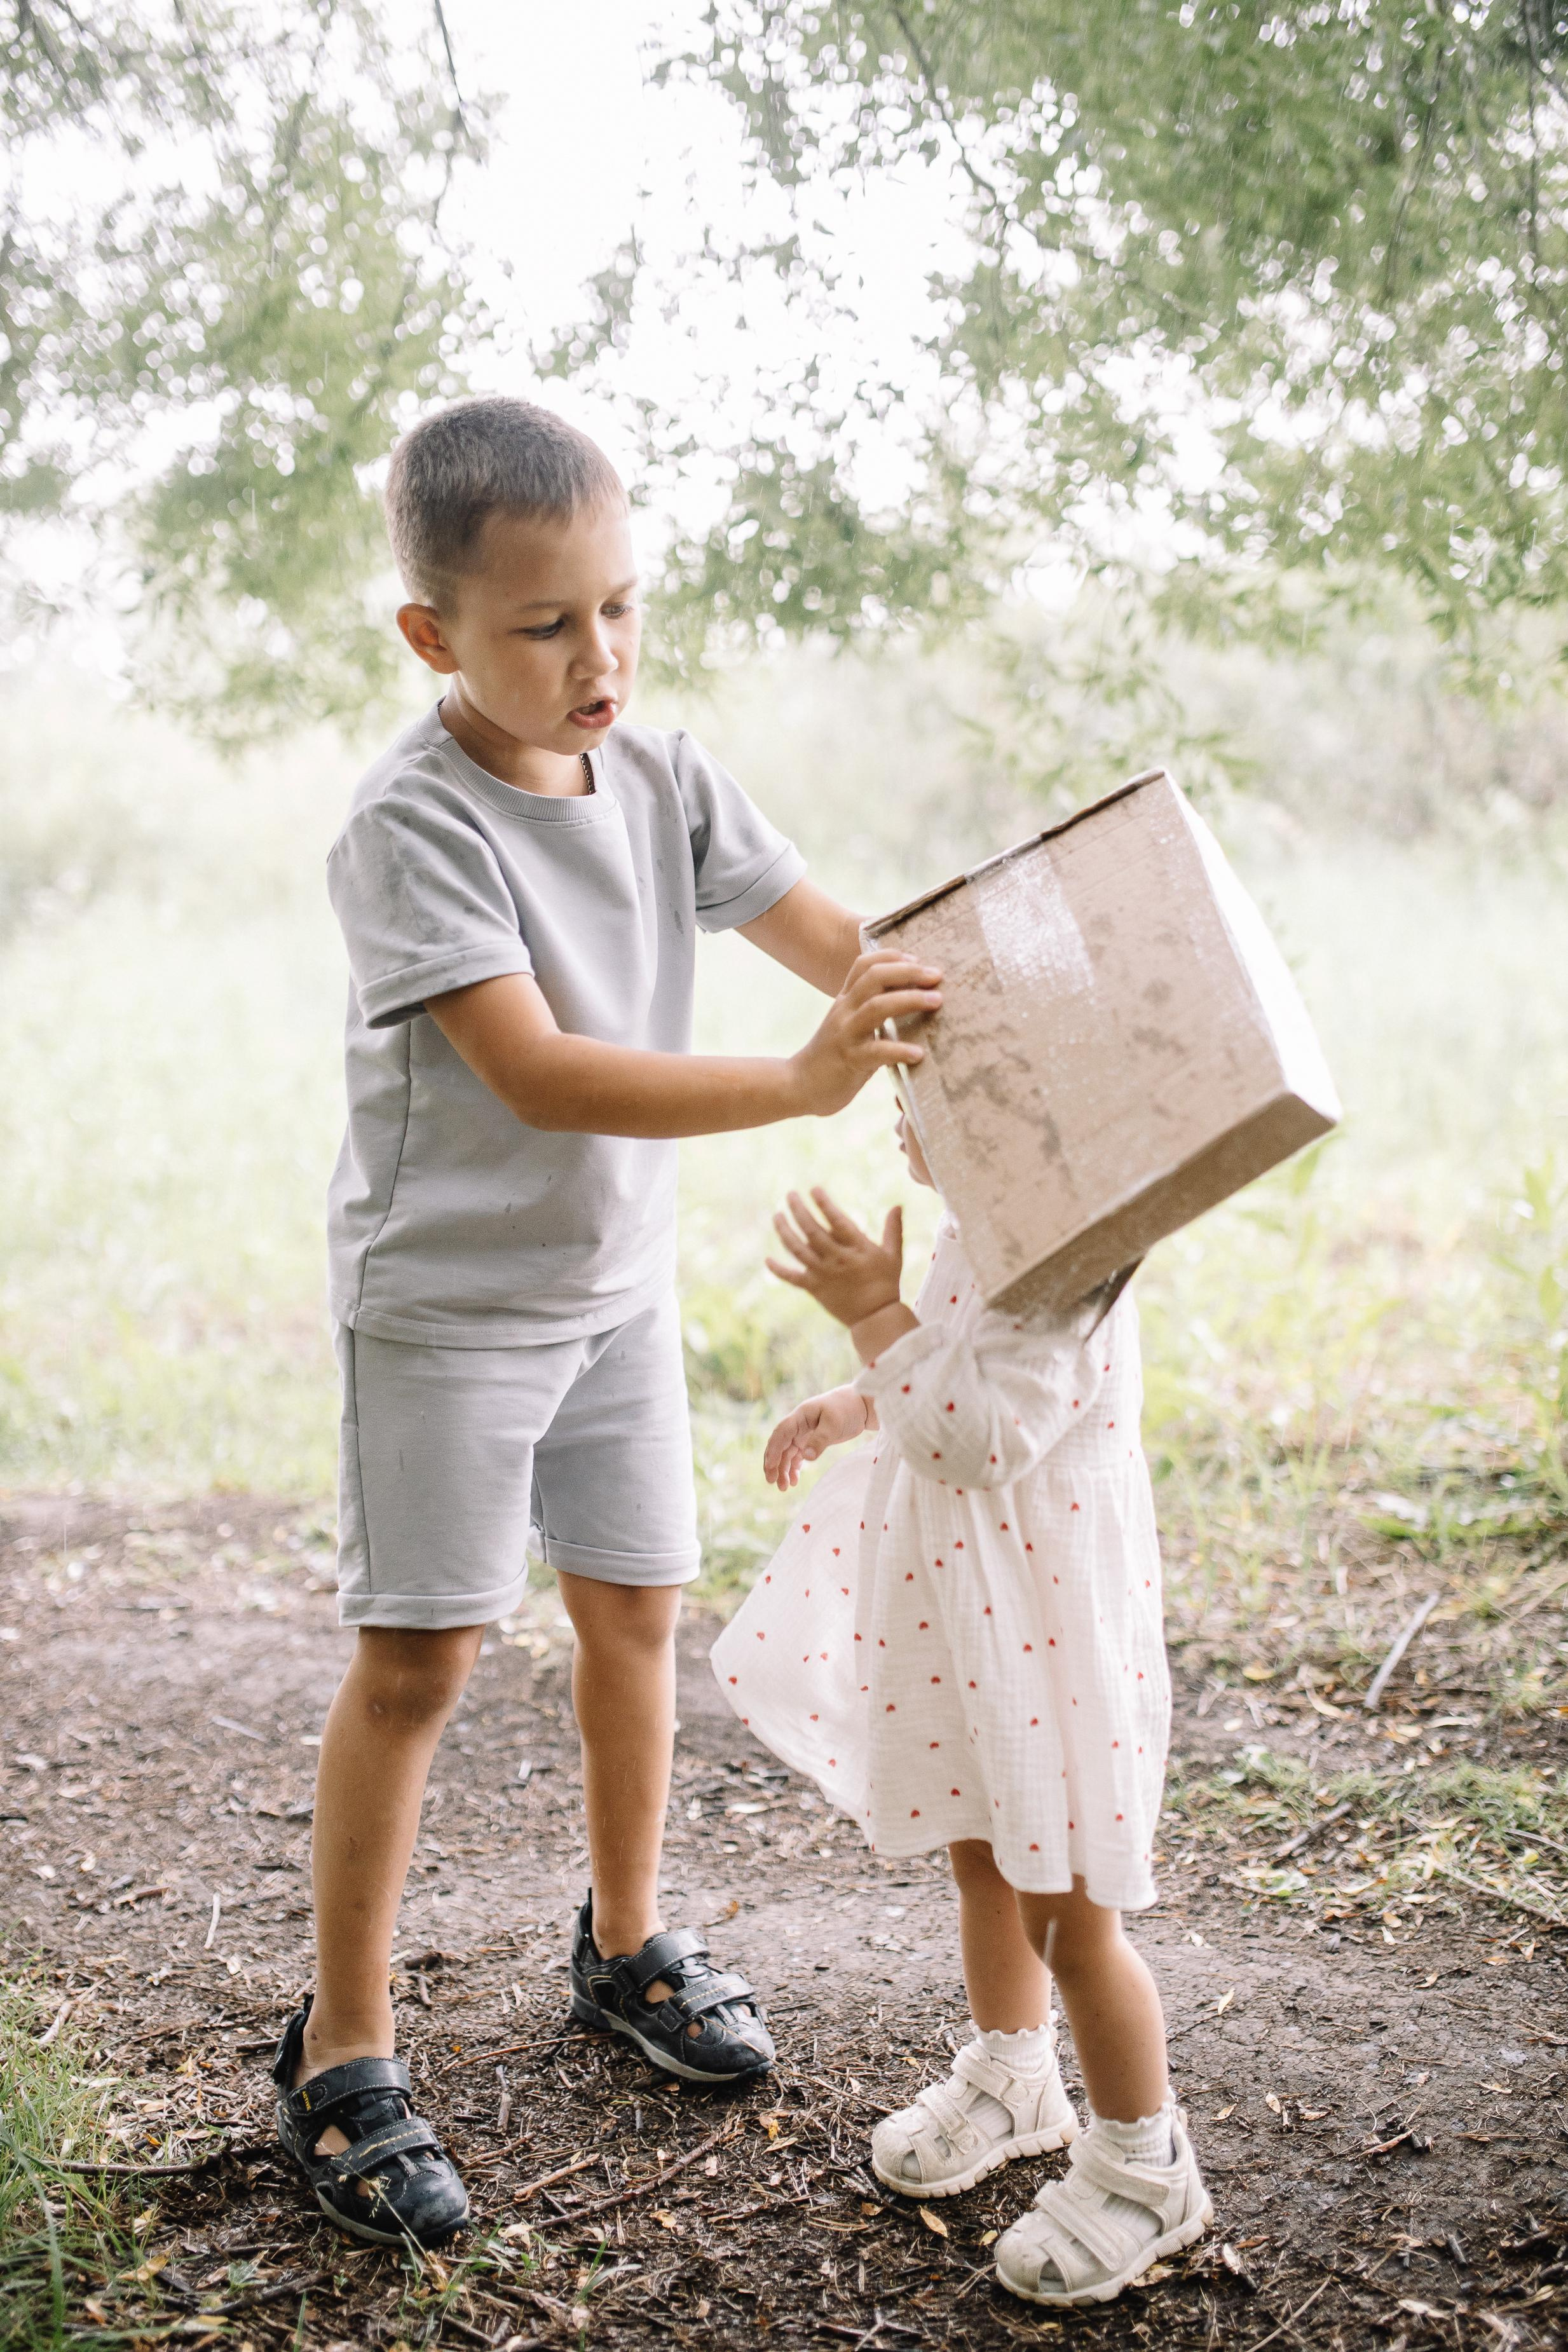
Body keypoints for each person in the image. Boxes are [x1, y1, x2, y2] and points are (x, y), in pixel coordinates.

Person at [270, 395, 943, 2248]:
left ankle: (628, 1940)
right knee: (419, 1661)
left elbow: (841, 942)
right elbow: (542, 1070)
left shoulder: (662, 777)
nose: (601, 657)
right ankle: (341, 2049)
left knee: (635, 1611)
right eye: (547, 623)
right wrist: (802, 1083)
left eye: (622, 607)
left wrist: (976, 1002)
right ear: (433, 634)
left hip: (611, 1293)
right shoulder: (410, 824)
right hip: (447, 1309)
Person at [711, 1109, 1211, 2308]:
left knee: (1073, 1921)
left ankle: (1149, 2166)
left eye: (931, 1090)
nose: (901, 1108)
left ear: (1019, 1123)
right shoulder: (981, 1233)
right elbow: (943, 1365)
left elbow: (975, 1435)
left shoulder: (1069, 1265)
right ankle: (1016, 2075)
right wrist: (858, 1398)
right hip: (977, 1623)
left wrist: (868, 1313)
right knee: (981, 1855)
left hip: (1045, 1640)